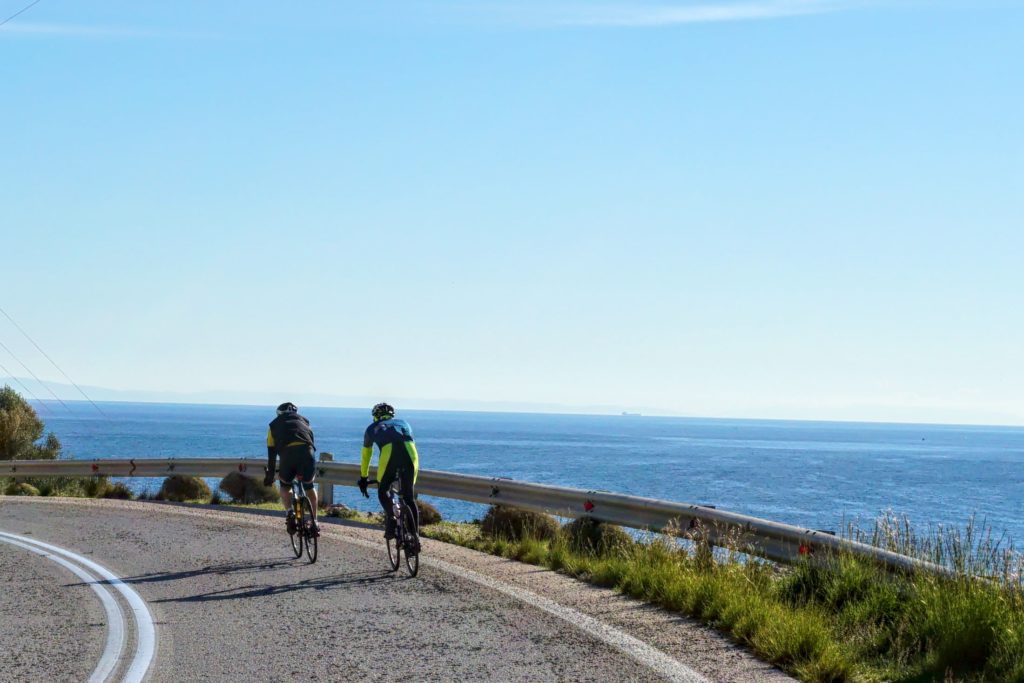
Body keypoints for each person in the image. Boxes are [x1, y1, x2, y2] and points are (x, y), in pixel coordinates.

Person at [357, 402, 420, 551]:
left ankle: (391, 518)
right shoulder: (404, 423)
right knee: (409, 497)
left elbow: (366, 455)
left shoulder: (371, 428)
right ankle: (415, 536)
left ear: (375, 417)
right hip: (411, 455)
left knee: (383, 490)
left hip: (389, 455)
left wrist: (364, 477)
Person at [264, 402, 319, 534]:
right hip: (307, 454)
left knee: (285, 485)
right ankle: (315, 522)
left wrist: (270, 475)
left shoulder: (273, 425)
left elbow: (271, 453)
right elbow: (311, 444)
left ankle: (290, 512)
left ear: (278, 414)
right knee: (309, 486)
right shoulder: (306, 422)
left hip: (287, 456)